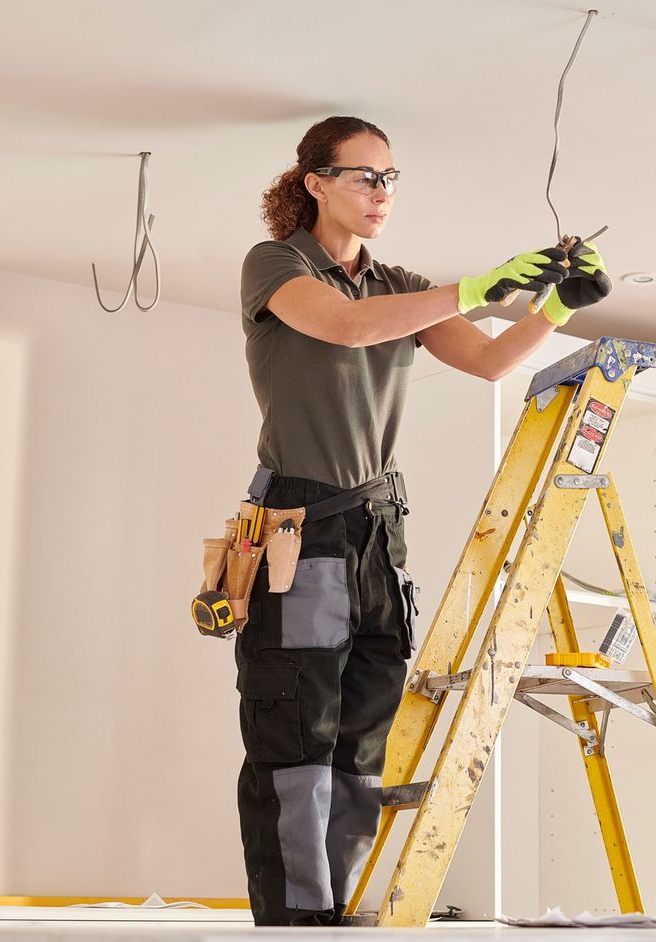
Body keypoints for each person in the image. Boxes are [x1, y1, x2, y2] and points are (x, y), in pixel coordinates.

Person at [234, 115, 612, 925]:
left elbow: (486, 361)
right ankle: (297, 921)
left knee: (362, 745)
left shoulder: (397, 282)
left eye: (391, 179)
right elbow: (344, 326)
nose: (382, 193)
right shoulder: (277, 265)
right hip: (300, 529)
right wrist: (477, 288)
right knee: (295, 738)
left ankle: (338, 907)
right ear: (317, 184)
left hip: (377, 532)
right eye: (367, 177)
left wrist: (556, 308)